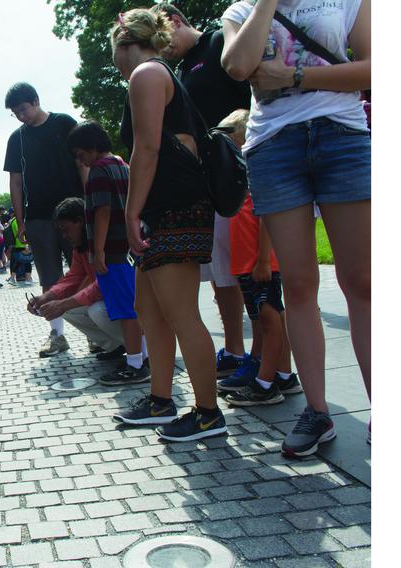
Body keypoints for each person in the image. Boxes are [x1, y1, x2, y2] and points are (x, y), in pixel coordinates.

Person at [222, 0, 371, 454]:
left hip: (342, 135)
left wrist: (293, 77)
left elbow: (374, 68)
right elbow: (237, 65)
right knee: (300, 286)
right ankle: (318, 411)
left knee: (363, 283)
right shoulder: (241, 10)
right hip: (273, 147)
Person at [108, 9, 224, 442]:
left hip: (170, 208)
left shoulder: (146, 75)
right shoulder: (162, 73)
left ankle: (209, 413)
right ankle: (160, 399)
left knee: (181, 314)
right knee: (149, 308)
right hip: (172, 207)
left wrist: (130, 211)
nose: (116, 69)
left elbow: (148, 149)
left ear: (124, 45)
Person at [152, 2, 254, 379]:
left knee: (248, 271)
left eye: (164, 41)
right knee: (222, 273)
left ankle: (262, 359)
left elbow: (249, 95)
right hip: (208, 178)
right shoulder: (177, 68)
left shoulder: (217, 43)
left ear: (176, 20)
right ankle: (235, 348)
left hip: (237, 167)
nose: (162, 51)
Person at [208, 110, 302, 406]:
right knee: (268, 318)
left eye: (228, 133)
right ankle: (284, 375)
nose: (223, 140)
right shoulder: (240, 172)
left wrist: (263, 260)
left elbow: (266, 217)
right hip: (247, 265)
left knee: (269, 321)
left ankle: (265, 384)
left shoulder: (256, 168)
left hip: (259, 265)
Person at [3, 82, 86, 357]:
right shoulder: (17, 139)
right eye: (16, 113)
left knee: (86, 272)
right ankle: (57, 334)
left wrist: (89, 204)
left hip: (74, 212)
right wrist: (21, 220)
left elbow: (82, 161)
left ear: (36, 101)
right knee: (49, 277)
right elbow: (15, 182)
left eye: (23, 109)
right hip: (38, 216)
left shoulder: (64, 123)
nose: (21, 116)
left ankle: (95, 333)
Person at [68, 121, 151, 386]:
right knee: (136, 305)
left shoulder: (99, 171)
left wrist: (98, 250)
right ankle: (144, 357)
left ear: (92, 147)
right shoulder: (122, 165)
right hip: (130, 247)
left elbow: (102, 211)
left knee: (125, 310)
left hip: (113, 251)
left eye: (81, 154)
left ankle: (136, 363)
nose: (81, 161)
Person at [27, 198, 125, 359]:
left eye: (66, 229)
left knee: (96, 310)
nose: (64, 236)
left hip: (127, 302)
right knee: (69, 309)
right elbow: (73, 276)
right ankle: (116, 346)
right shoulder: (81, 247)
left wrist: (63, 303)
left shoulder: (105, 243)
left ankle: (140, 351)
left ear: (80, 222)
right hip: (112, 298)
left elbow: (103, 285)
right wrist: (46, 297)